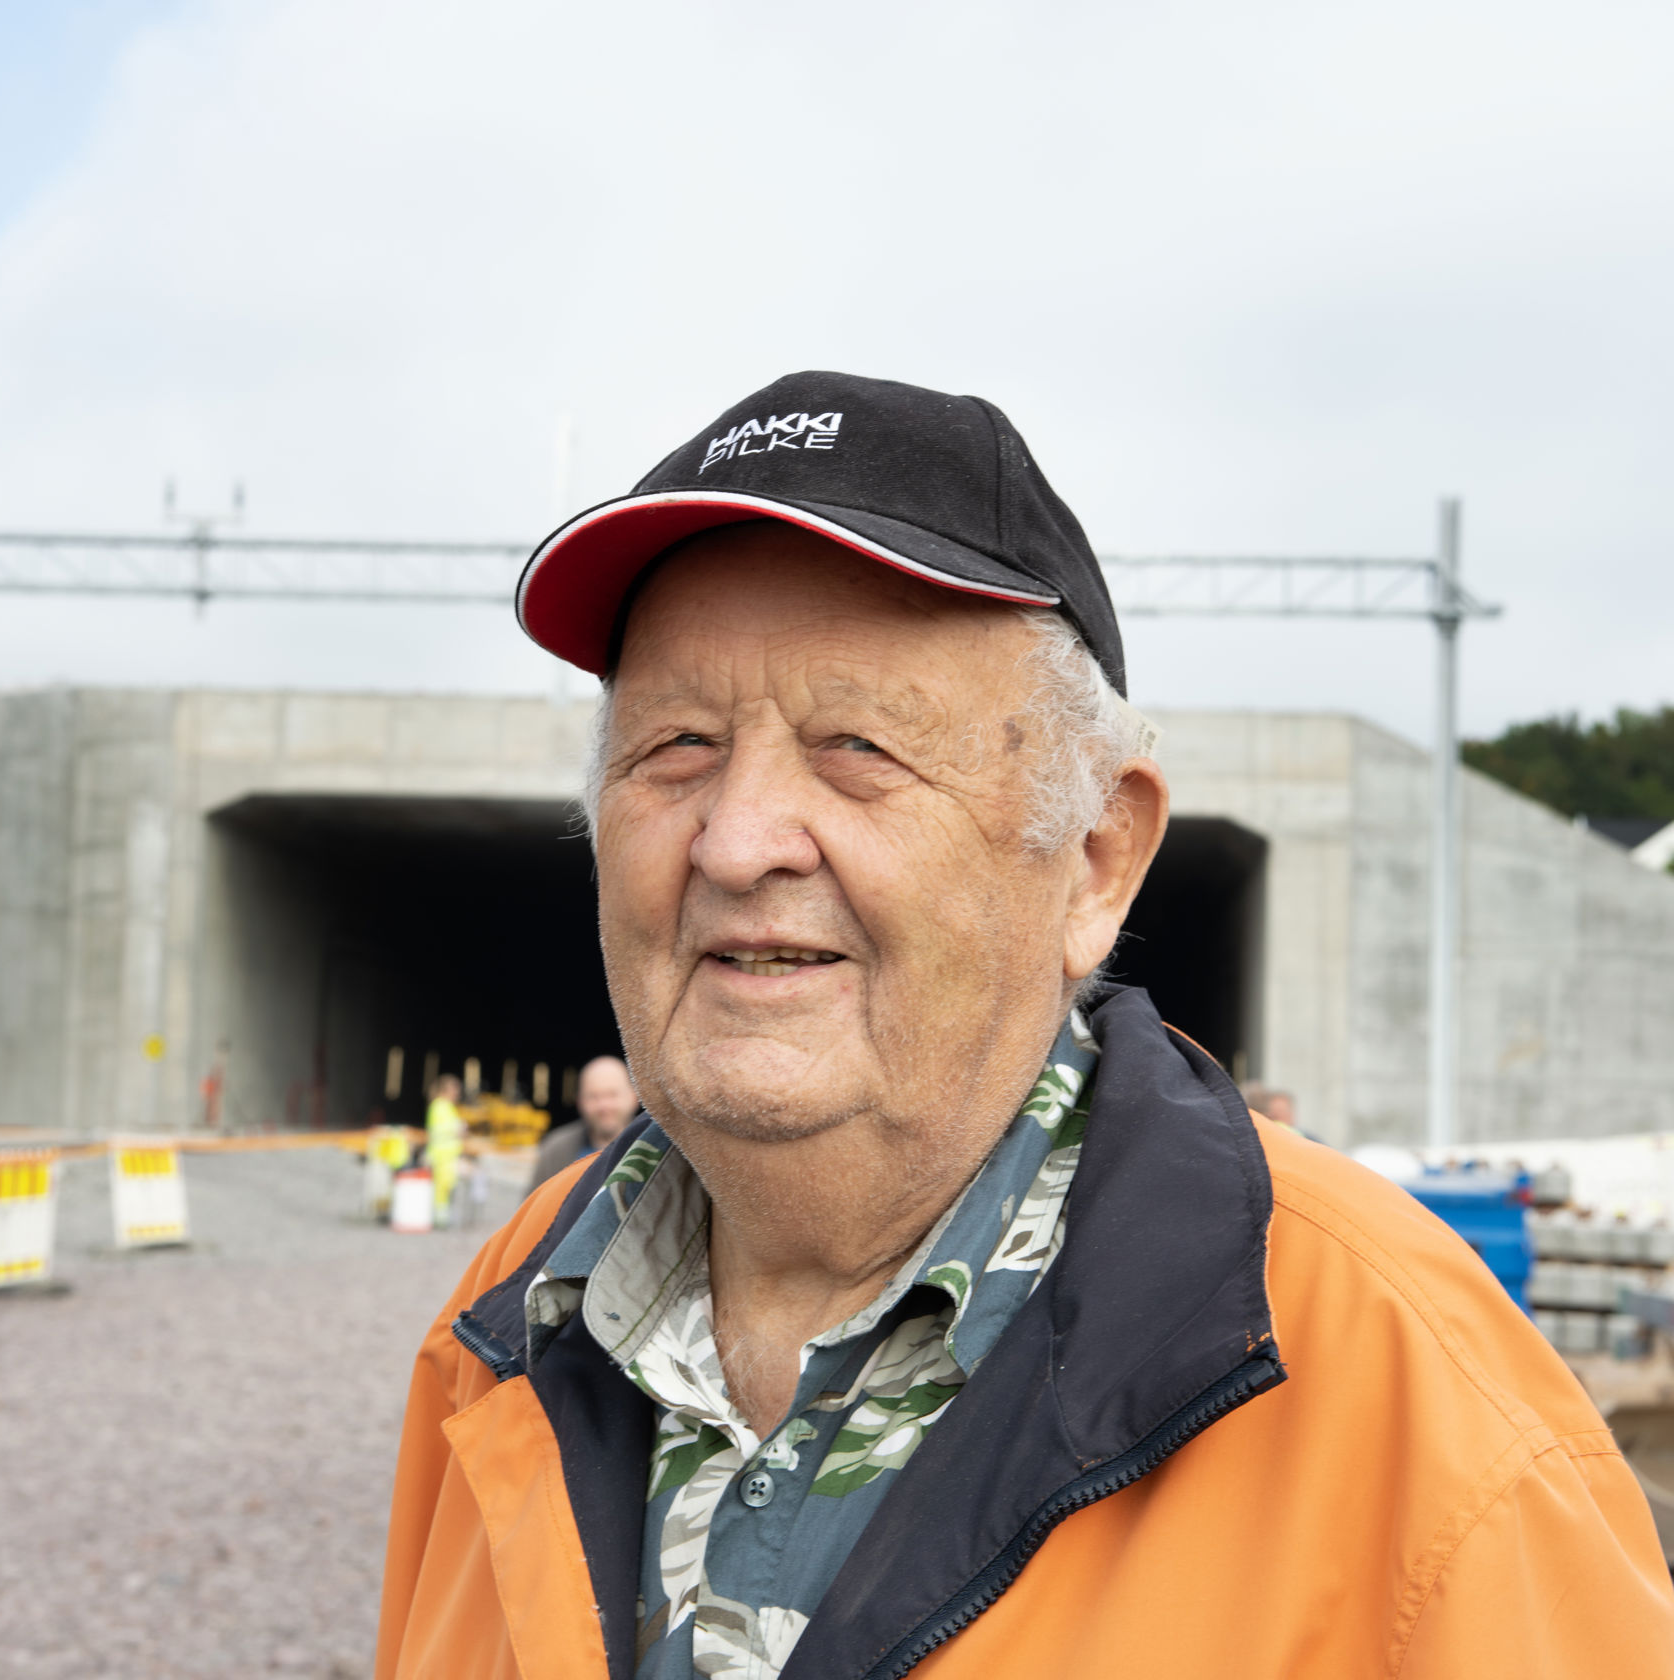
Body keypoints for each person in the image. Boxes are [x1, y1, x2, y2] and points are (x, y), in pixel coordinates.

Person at [376, 372, 1673, 1679]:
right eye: (677, 746)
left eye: (859, 747)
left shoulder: (1413, 1400)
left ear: (1098, 859)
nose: (738, 838)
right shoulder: (505, 1325)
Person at [524, 1055, 640, 1196]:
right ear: (579, 1101)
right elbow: (533, 1210)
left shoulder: (655, 1148)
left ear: (634, 1097)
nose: (603, 1106)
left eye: (612, 1095)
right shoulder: (556, 1150)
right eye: (593, 1096)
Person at [421, 1073, 466, 1229]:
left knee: (446, 1187)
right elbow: (438, 1129)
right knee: (442, 1188)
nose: (457, 1094)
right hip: (442, 1155)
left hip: (448, 1155)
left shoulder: (447, 1106)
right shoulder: (439, 1106)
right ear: (446, 1090)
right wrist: (458, 1128)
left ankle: (443, 1216)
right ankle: (439, 1218)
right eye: (455, 1090)